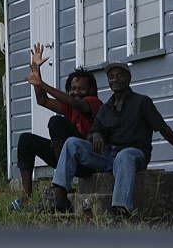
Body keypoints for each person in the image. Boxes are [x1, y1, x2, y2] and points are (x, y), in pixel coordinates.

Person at [47, 62, 173, 214]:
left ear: (128, 79)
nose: (115, 79)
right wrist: (96, 134)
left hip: (135, 154)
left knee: (124, 155)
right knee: (72, 143)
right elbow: (92, 132)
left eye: (119, 75)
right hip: (109, 157)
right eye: (111, 77)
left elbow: (164, 129)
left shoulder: (142, 102)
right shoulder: (106, 107)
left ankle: (121, 208)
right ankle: (60, 195)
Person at [10, 43, 103, 210]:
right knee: (26, 140)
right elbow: (42, 101)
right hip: (66, 156)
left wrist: (42, 84)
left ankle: (62, 186)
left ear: (90, 90)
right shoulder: (71, 108)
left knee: (56, 122)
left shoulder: (93, 103)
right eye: (73, 89)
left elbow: (75, 102)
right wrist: (36, 72)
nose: (76, 92)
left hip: (87, 161)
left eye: (81, 89)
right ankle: (26, 199)